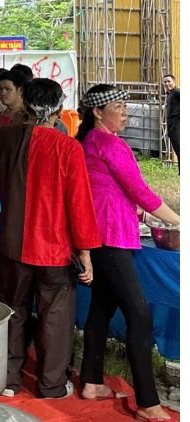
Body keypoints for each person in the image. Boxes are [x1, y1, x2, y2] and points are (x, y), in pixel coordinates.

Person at [0, 78, 101, 399]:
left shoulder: (7, 137)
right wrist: (85, 252)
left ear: (24, 104)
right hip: (54, 248)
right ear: (59, 110)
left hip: (12, 241)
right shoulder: (67, 147)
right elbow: (80, 204)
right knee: (55, 319)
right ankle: (50, 384)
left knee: (12, 311)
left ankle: (7, 379)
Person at [76, 84, 179, 422]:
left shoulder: (91, 142)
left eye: (125, 105)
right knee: (140, 315)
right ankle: (148, 403)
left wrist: (142, 214)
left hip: (105, 235)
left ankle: (90, 382)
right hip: (111, 240)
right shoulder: (109, 143)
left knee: (101, 310)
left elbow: (112, 193)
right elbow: (141, 191)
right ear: (97, 112)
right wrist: (179, 220)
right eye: (118, 105)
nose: (125, 111)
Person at [163, 74, 179, 162]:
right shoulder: (170, 94)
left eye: (169, 81)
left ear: (174, 82)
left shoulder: (177, 92)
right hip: (172, 127)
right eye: (165, 82)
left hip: (177, 126)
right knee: (178, 151)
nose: (167, 83)